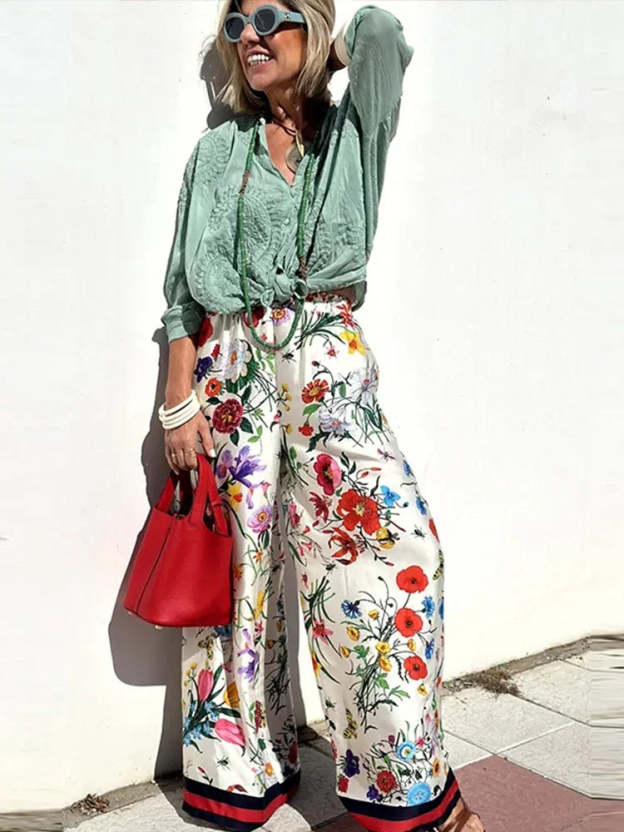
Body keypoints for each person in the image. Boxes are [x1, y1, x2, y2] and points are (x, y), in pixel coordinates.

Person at [158, 2, 485, 831]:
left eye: (271, 17)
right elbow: (182, 296)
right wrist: (177, 404)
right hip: (233, 366)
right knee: (242, 575)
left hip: (327, 357)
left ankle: (402, 782)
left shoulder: (353, 133)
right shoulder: (216, 152)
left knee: (396, 550)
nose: (251, 36)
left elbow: (382, 34)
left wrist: (319, 64)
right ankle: (240, 774)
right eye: (237, 25)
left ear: (312, 24)